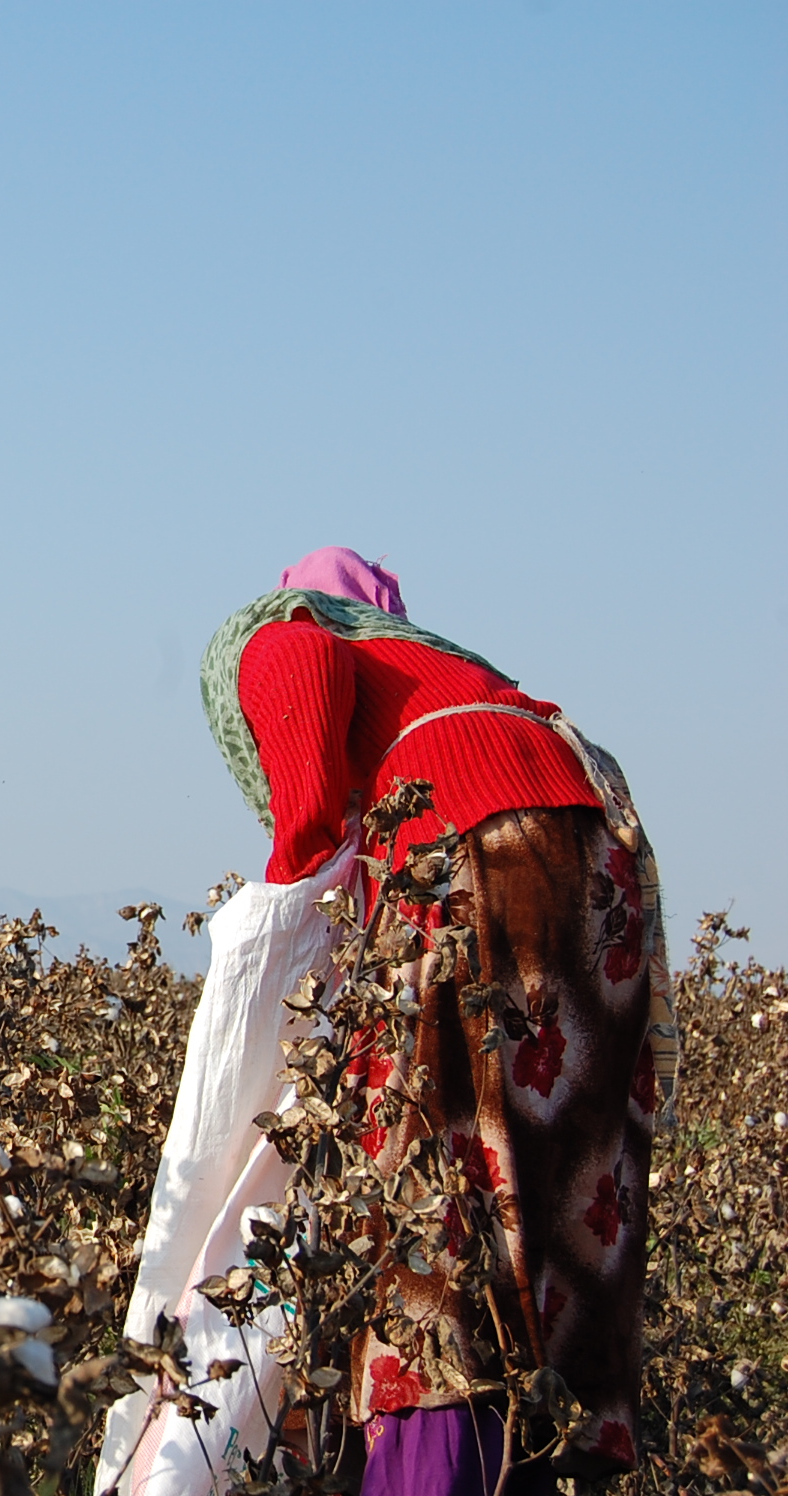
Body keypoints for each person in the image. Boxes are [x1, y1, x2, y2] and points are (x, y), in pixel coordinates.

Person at [199, 546, 670, 1489]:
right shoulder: (456, 672)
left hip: (477, 855)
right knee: (559, 1203)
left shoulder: (281, 633)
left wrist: (286, 896)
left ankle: (432, 1468)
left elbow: (304, 693)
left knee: (428, 1221)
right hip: (596, 862)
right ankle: (555, 1457)